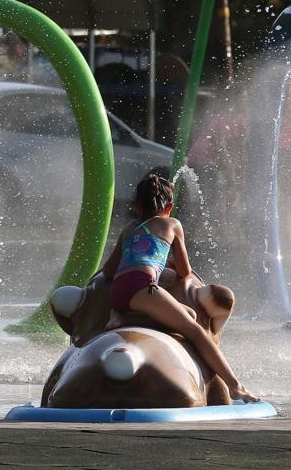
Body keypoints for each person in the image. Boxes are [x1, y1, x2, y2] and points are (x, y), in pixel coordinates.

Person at [100, 172, 258, 402]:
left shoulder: (128, 230)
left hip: (119, 292)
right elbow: (184, 272)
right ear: (169, 206)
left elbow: (108, 272)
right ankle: (235, 386)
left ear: (136, 206)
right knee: (195, 330)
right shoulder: (172, 224)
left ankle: (125, 319)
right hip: (143, 287)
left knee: (189, 313)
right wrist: (167, 262)